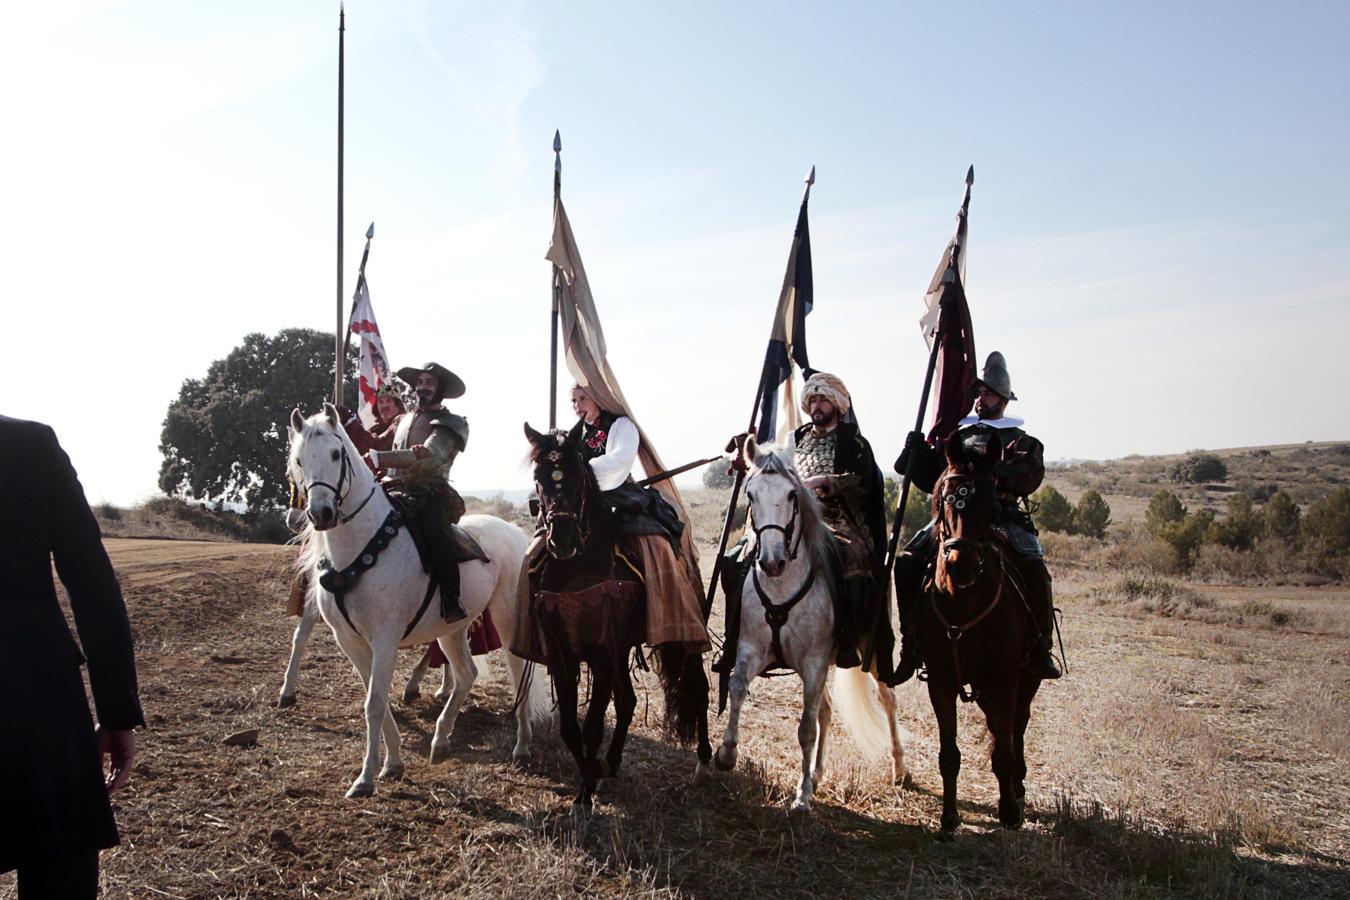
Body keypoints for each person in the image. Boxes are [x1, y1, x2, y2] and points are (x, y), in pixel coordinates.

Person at [1, 416, 143, 898]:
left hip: (35, 694)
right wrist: (116, 711)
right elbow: (91, 581)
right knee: (58, 869)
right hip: (34, 697)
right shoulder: (29, 444)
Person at [891, 351, 1061, 684]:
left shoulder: (1021, 441)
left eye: (988, 393)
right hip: (954, 518)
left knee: (1033, 563)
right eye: (979, 393)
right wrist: (914, 451)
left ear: (1003, 398)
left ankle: (1041, 646)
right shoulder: (958, 436)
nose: (981, 399)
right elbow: (928, 479)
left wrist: (993, 471)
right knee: (907, 561)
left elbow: (1029, 476)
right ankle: (911, 644)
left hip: (1002, 516)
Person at [567, 384, 710, 651]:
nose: (577, 406)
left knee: (654, 542)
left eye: (582, 398)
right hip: (579, 503)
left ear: (598, 397)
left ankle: (670, 617)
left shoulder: (621, 426)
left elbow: (619, 462)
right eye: (573, 401)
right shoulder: (572, 435)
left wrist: (580, 469)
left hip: (620, 495)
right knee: (542, 546)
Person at [790, 372, 892, 677]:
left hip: (838, 518)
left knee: (853, 556)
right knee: (747, 555)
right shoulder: (798, 438)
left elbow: (862, 479)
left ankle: (848, 636)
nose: (817, 405)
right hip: (796, 515)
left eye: (823, 399)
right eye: (813, 400)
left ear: (837, 404)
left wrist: (828, 482)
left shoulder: (854, 442)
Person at [365, 362, 474, 622]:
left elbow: (430, 456)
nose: (422, 387)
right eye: (420, 382)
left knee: (436, 533)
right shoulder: (403, 421)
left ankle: (451, 600)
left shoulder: (452, 423)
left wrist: (378, 458)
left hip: (429, 491)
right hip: (392, 487)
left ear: (441, 390)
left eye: (430, 383)